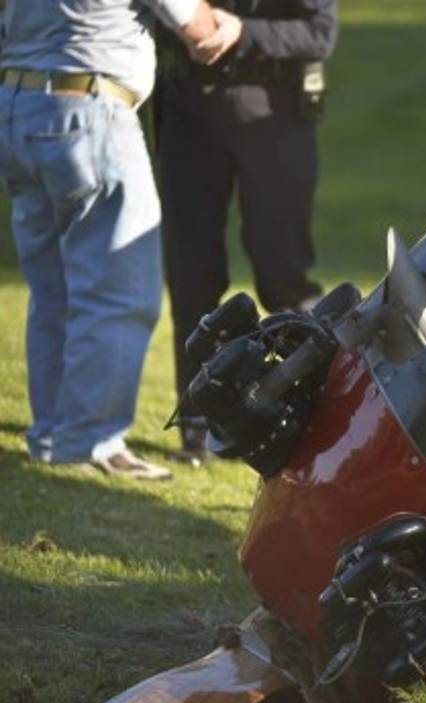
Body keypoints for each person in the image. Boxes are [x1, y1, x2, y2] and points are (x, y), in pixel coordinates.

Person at [0, 0, 241, 478]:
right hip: (89, 111)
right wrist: (230, 23)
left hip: (18, 106)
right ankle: (91, 442)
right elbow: (198, 27)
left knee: (56, 292)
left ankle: (51, 437)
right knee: (121, 294)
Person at [157, 0, 338, 463]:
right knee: (191, 272)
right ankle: (198, 424)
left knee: (284, 276)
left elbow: (319, 34)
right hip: (187, 110)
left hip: (273, 114)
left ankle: (317, 417)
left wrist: (242, 31)